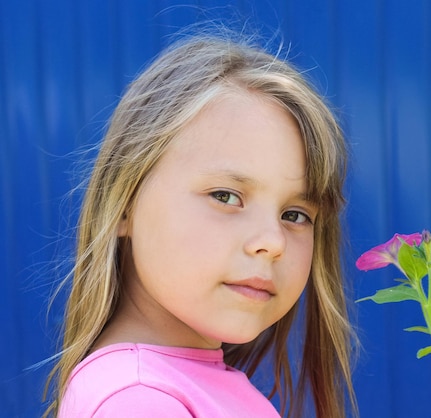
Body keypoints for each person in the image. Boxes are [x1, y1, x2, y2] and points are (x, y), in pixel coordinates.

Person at [44, 32, 356, 418]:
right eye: (225, 196)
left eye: (294, 215)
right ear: (125, 201)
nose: (273, 242)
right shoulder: (139, 401)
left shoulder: (175, 386)